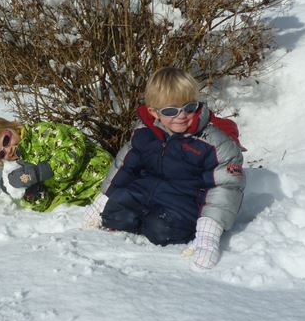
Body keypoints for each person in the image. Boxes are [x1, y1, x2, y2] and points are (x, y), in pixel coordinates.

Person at [94, 67, 245, 269]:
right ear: (153, 112)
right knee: (114, 213)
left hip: (184, 200)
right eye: (170, 111)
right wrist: (102, 200)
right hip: (146, 190)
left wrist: (208, 234)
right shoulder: (145, 132)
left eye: (189, 107)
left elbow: (224, 187)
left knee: (161, 229)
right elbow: (125, 167)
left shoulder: (213, 142)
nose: (181, 115)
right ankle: (138, 220)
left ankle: (156, 225)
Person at [0, 117, 113, 212]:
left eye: (6, 140)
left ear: (12, 127)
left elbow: (74, 148)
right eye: (1, 154)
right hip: (78, 198)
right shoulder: (18, 167)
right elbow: (45, 204)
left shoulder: (42, 133)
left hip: (99, 176)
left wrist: (45, 170)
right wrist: (31, 192)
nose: (8, 150)